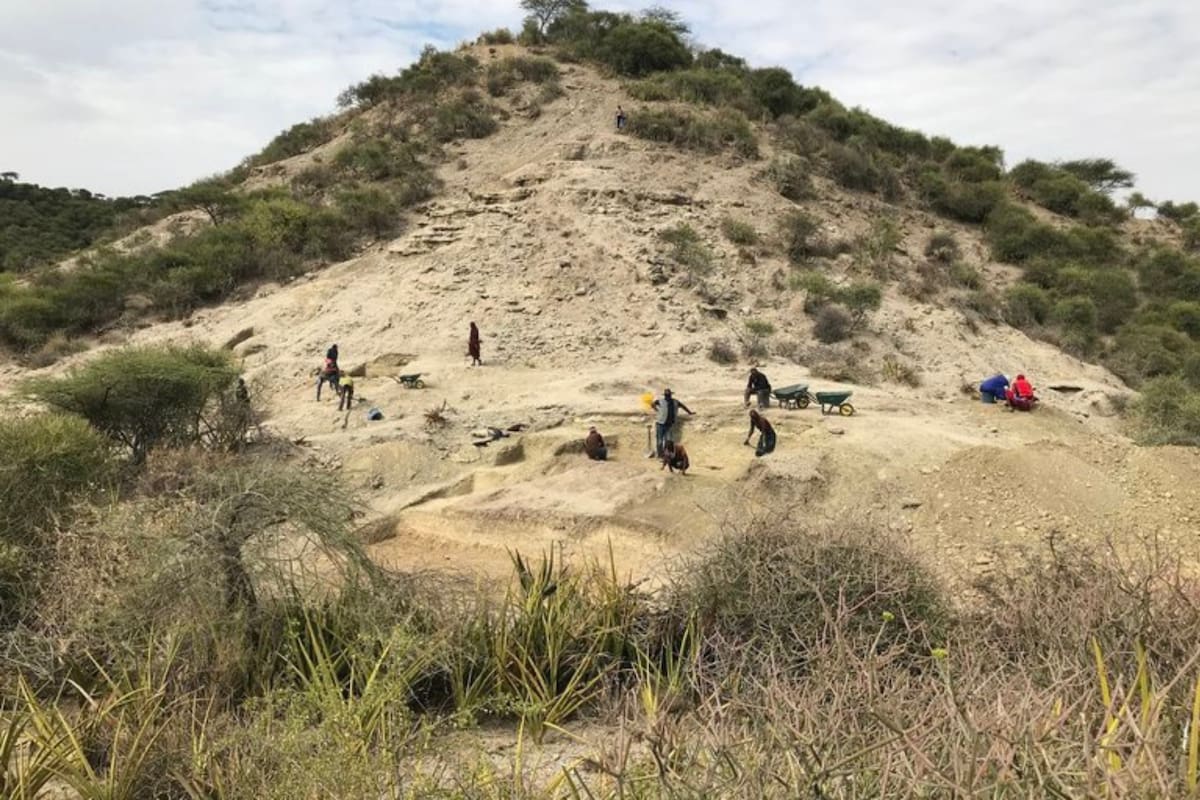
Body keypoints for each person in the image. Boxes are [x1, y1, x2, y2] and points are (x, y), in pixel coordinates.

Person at [651, 388, 694, 458]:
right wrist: (656, 409)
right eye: (666, 395)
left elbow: (683, 406)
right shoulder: (660, 401)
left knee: (668, 441)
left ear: (671, 395)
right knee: (659, 441)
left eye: (668, 395)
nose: (667, 397)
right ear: (664, 396)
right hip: (660, 424)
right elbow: (653, 404)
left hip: (669, 424)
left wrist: (689, 412)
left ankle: (665, 454)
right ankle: (660, 455)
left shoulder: (675, 402)